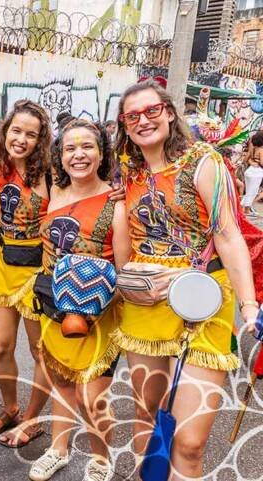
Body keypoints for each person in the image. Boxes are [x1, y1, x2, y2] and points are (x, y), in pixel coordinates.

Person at [112, 79, 258, 478]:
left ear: (170, 113)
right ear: (125, 126)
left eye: (152, 111)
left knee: (190, 442)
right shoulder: (127, 172)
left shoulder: (202, 161)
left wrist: (249, 305)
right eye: (132, 116)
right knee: (147, 415)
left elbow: (228, 234)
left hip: (201, 304)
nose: (143, 120)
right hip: (146, 303)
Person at [28, 119, 129, 481]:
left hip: (98, 316)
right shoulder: (53, 190)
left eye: (87, 146)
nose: (79, 154)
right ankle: (58, 449)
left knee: (91, 398)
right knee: (62, 383)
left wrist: (89, 299)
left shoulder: (117, 202)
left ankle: (102, 459)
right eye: (70, 148)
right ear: (60, 155)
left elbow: (125, 268)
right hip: (52, 307)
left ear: (102, 153)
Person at [0, 100, 53, 447]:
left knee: (41, 351)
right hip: (4, 267)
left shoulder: (52, 172)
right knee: (1, 345)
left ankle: (34, 420)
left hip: (39, 271)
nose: (21, 139)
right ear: (5, 131)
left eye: (31, 134)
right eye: (16, 131)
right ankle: (10, 408)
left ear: (41, 140)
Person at [242, 131, 263, 216]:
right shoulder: (261, 150)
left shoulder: (253, 149)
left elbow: (245, 160)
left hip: (249, 171)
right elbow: (262, 163)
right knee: (253, 191)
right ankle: (246, 210)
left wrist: (252, 162)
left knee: (248, 191)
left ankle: (245, 209)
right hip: (257, 172)